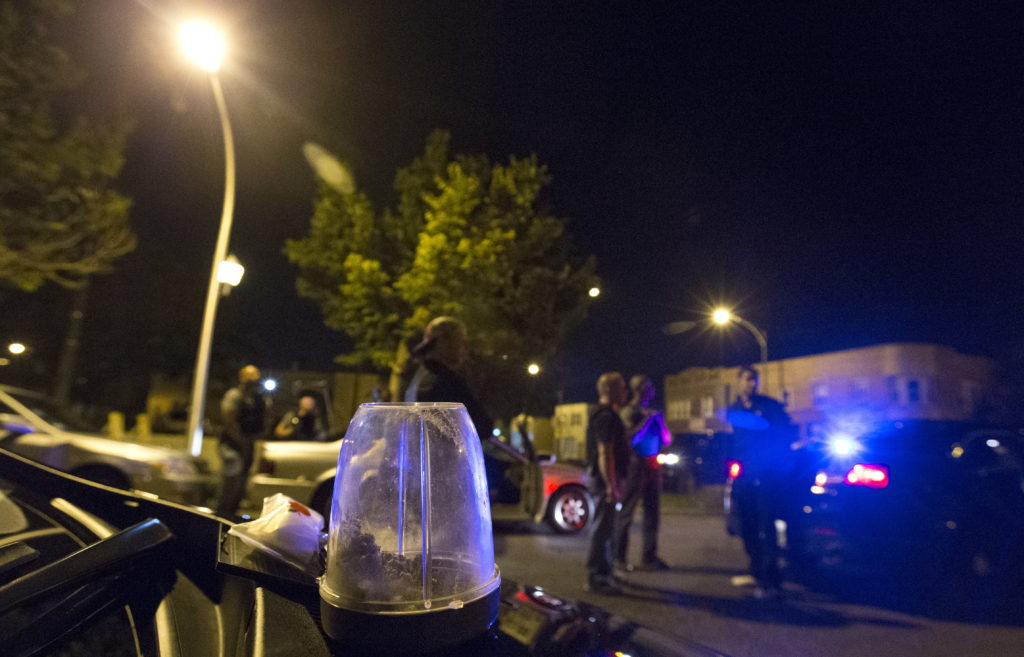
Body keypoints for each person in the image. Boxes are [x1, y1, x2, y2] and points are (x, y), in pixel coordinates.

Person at [726, 365, 794, 599]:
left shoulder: (768, 406)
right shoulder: (734, 409)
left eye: (753, 380)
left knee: (767, 523)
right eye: (746, 379)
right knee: (747, 523)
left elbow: (784, 431)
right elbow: (733, 442)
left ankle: (772, 578)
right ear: (738, 382)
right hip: (744, 473)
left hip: (766, 473)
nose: (750, 384)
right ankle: (756, 569)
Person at [614, 375, 671, 572]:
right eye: (648, 387)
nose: (652, 391)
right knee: (627, 512)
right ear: (638, 390)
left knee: (652, 513)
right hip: (634, 465)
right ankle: (618, 557)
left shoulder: (654, 413)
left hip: (652, 465)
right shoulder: (629, 411)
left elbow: (667, 439)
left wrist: (660, 423)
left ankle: (650, 556)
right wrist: (648, 420)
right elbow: (632, 438)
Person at [584, 372, 632, 595]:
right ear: (611, 391)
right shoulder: (606, 417)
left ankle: (606, 572)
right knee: (602, 528)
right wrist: (611, 485)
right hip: (604, 481)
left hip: (606, 480)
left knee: (607, 527)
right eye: (622, 388)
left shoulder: (607, 415)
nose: (625, 392)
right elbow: (605, 452)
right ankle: (596, 576)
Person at [216, 365, 270, 518]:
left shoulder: (258, 398)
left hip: (248, 444)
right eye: (249, 376)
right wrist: (242, 442)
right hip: (231, 444)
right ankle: (221, 515)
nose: (253, 380)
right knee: (232, 477)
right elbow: (228, 422)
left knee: (242, 482)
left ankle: (231, 515)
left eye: (255, 376)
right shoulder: (234, 395)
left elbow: (265, 420)